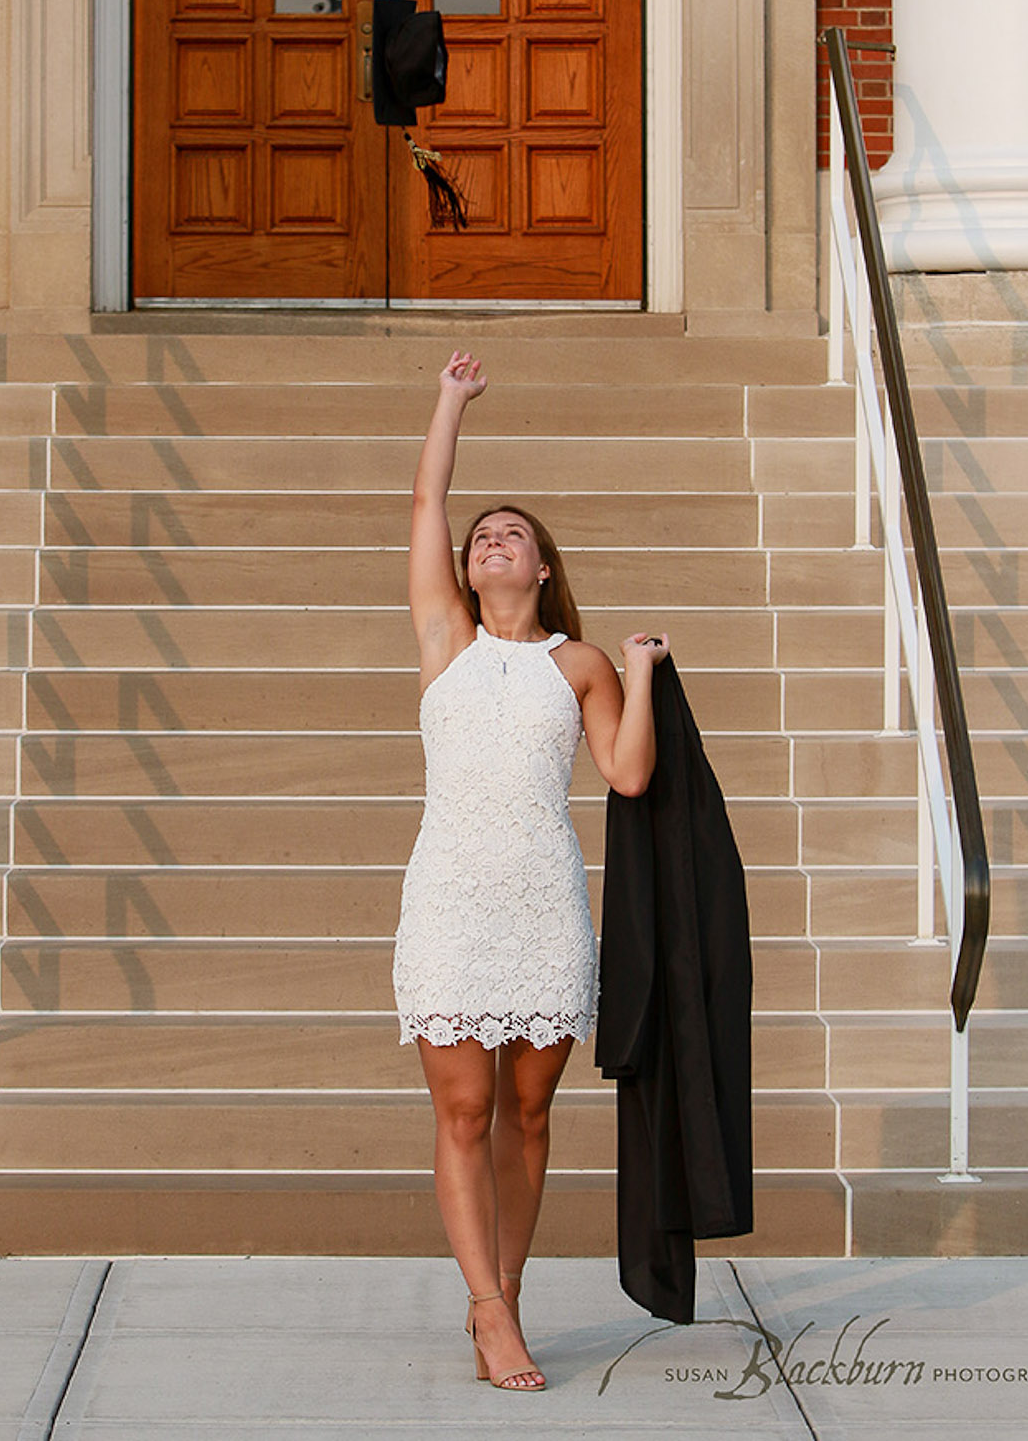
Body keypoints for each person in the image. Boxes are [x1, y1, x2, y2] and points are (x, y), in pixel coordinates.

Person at [393, 350, 669, 1391]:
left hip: (545, 901)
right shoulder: (445, 643)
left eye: (512, 534)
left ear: (543, 566)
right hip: (451, 899)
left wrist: (637, 671)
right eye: (480, 539)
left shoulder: (579, 663)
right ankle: (487, 1311)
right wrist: (450, 399)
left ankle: (505, 1291)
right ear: (465, 572)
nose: (490, 540)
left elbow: (629, 775)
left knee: (531, 1112)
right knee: (462, 1110)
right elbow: (427, 498)